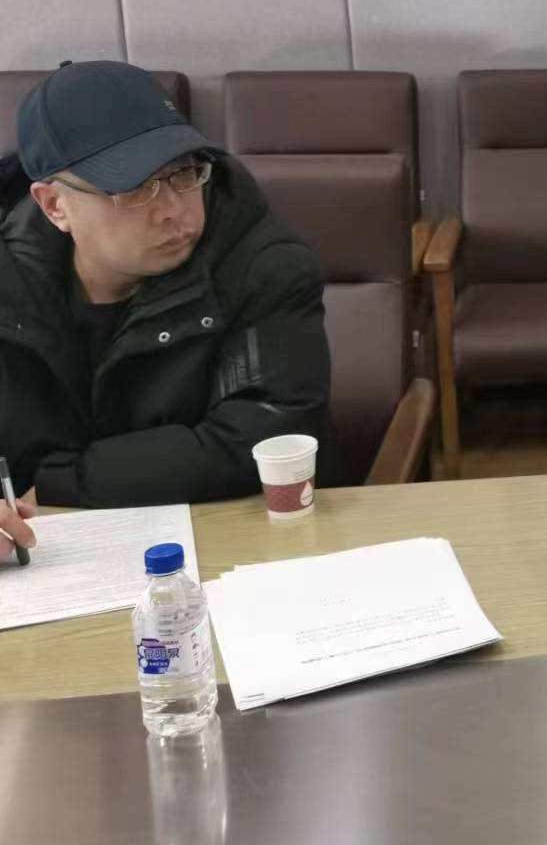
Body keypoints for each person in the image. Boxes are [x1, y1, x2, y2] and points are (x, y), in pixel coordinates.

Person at [0, 60, 333, 558]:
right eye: (134, 188)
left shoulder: (263, 265)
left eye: (183, 172)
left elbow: (261, 436)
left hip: (232, 541)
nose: (174, 209)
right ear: (54, 205)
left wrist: (59, 481)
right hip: (39, 558)